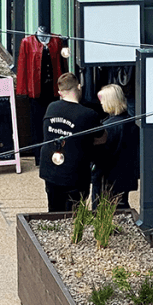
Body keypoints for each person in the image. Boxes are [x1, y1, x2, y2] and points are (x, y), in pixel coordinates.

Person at [38, 72, 104, 213]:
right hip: (75, 172)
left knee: (54, 210)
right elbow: (102, 138)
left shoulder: (51, 107)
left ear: (60, 92)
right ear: (79, 87)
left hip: (50, 169)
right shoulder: (89, 114)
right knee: (75, 212)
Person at [92, 83, 139, 209]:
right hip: (126, 174)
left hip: (107, 175)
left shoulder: (108, 127)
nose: (101, 104)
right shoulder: (131, 122)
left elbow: (102, 153)